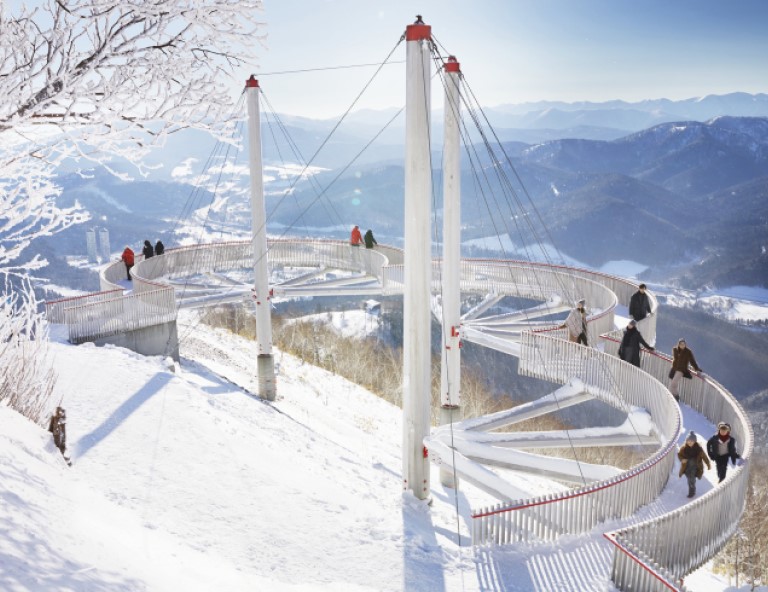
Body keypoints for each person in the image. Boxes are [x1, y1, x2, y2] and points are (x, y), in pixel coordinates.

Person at [678, 431, 710, 498]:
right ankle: (692, 486)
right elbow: (679, 455)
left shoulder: (698, 449)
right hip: (686, 467)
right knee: (689, 478)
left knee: (691, 478)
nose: (690, 442)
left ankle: (692, 491)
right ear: (686, 441)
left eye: (691, 441)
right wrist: (682, 459)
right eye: (688, 441)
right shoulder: (683, 448)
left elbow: (704, 456)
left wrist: (708, 463)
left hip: (695, 466)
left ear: (695, 441)